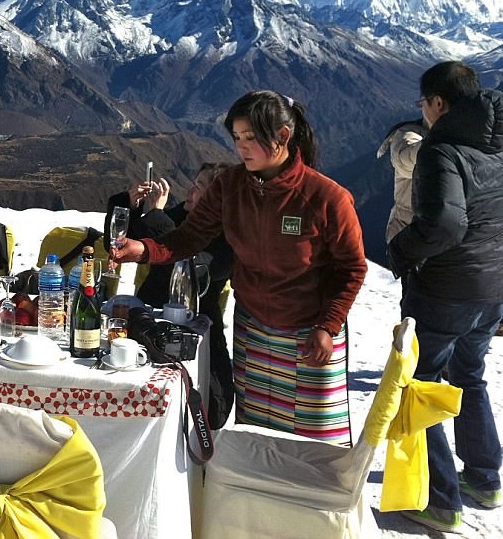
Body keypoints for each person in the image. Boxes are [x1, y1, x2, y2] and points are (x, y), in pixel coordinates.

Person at [111, 90, 367, 445]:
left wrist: (327, 326)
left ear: (282, 137)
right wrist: (144, 250)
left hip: (311, 333)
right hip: (253, 327)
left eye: (251, 138)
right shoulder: (230, 185)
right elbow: (189, 237)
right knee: (255, 435)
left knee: (313, 446)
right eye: (237, 138)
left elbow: (351, 269)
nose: (241, 147)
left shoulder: (326, 198)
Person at [388, 61, 503, 533]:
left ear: (437, 103)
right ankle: (485, 478)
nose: (423, 113)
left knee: (420, 385)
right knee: (469, 376)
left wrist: (401, 249)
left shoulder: (443, 152)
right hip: (491, 289)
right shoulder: (496, 151)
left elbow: (444, 225)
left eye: (423, 104)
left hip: (444, 289)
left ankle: (439, 502)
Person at [106, 161, 235, 428]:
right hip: (146, 324)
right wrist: (130, 204)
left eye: (198, 188)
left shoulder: (228, 237)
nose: (190, 191)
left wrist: (156, 214)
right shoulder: (183, 216)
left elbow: (190, 260)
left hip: (193, 332)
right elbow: (124, 240)